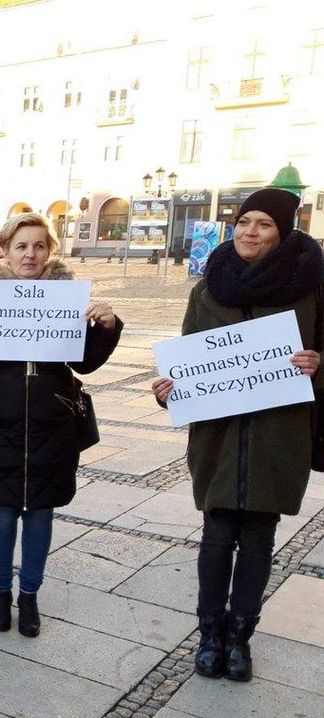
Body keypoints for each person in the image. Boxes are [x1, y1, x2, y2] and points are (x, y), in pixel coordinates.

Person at [152, 188, 321, 682]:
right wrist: (168, 390)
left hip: (279, 435)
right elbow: (187, 359)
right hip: (218, 437)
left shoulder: (310, 287)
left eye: (264, 224)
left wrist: (318, 364)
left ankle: (240, 638)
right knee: (216, 535)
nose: (250, 231)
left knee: (259, 540)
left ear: (284, 231)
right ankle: (209, 636)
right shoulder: (207, 289)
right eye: (244, 221)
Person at [0, 212, 121, 637]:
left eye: (39, 246)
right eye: (22, 246)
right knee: (2, 512)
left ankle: (29, 595)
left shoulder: (67, 299)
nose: (31, 254)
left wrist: (107, 328)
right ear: (6, 251)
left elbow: (85, 362)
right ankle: (1, 593)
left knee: (41, 512)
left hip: (52, 422)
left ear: (50, 251)